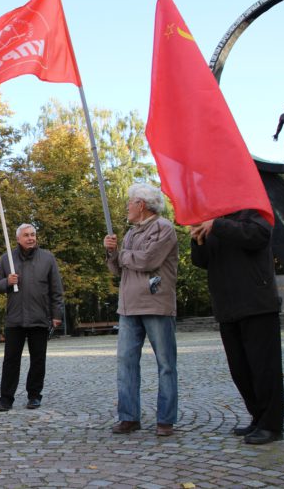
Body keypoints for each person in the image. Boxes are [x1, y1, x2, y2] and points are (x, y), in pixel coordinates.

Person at [190, 209, 284, 445]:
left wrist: (216, 226)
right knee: (240, 370)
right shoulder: (215, 219)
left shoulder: (252, 211)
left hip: (257, 304)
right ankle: (258, 417)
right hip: (227, 307)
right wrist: (197, 239)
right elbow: (201, 261)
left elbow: (259, 236)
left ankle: (271, 425)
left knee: (264, 369)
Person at [104, 184, 179, 437]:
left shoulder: (164, 229)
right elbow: (118, 270)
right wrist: (112, 252)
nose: (127, 206)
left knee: (165, 364)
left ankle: (165, 420)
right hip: (128, 307)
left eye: (130, 202)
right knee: (125, 363)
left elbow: (149, 260)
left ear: (142, 205)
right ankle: (128, 417)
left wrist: (122, 254)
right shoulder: (130, 234)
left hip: (156, 304)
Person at [0, 224, 64, 412]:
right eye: (26, 235)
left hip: (40, 317)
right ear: (18, 239)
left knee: (38, 359)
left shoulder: (47, 258)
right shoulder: (6, 259)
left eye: (33, 234)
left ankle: (34, 396)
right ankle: (6, 399)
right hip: (15, 319)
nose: (31, 238)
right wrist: (7, 281)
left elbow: (56, 290)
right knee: (10, 361)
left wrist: (57, 315)